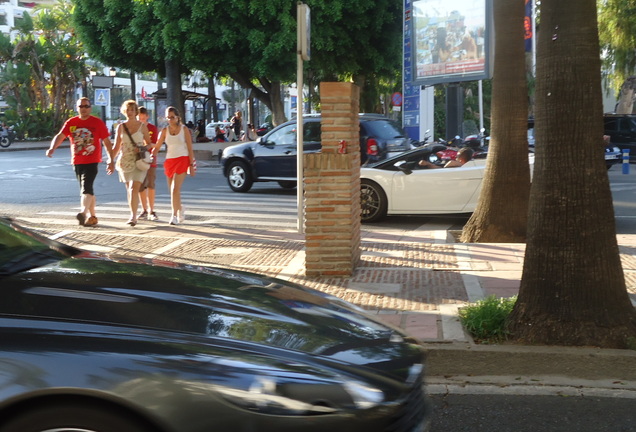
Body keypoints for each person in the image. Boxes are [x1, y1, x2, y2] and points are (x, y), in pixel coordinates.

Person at [47, 97, 114, 227]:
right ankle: (93, 216)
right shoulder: (71, 122)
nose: (83, 109)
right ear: (77, 108)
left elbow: (106, 142)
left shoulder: (97, 123)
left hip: (92, 160)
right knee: (87, 190)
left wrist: (111, 159)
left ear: (90, 108)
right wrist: (52, 148)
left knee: (86, 187)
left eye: (86, 106)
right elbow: (60, 136)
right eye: (81, 106)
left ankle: (83, 213)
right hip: (77, 161)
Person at [112, 100, 153, 227]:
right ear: (124, 111)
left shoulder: (142, 126)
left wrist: (142, 149)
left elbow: (150, 143)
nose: (130, 112)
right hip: (125, 160)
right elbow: (117, 146)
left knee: (133, 188)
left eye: (132, 110)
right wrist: (110, 160)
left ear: (136, 111)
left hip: (138, 160)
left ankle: (133, 217)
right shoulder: (120, 127)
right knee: (129, 190)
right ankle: (133, 213)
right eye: (127, 110)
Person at [155, 106, 195, 225]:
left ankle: (174, 215)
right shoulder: (164, 131)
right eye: (168, 117)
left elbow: (189, 147)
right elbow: (157, 146)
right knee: (173, 191)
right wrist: (152, 153)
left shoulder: (184, 129)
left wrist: (191, 165)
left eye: (172, 117)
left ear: (178, 118)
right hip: (170, 161)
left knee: (174, 189)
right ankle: (180, 208)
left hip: (182, 159)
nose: (170, 120)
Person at [138, 107, 159, 221]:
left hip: (150, 159)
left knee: (150, 184)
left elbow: (155, 143)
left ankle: (151, 210)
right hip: (138, 159)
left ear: (147, 117)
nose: (141, 119)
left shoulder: (152, 128)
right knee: (140, 185)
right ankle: (144, 209)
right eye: (139, 117)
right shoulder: (135, 127)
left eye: (143, 117)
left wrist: (147, 147)